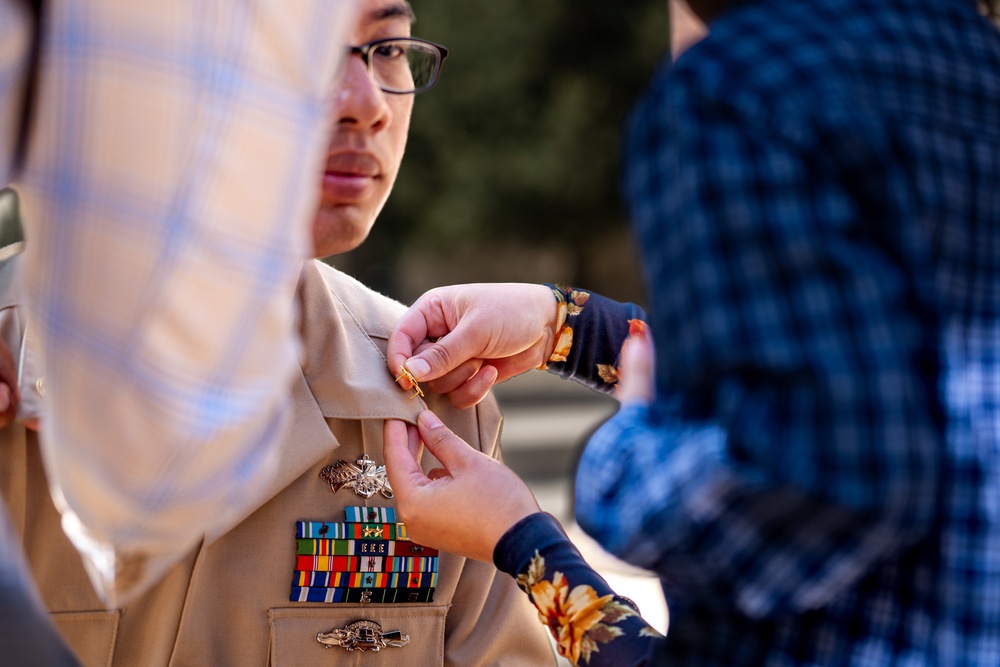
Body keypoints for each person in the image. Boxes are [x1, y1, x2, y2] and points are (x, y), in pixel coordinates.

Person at [384, 0, 1000, 665]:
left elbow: (830, 465)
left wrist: (612, 472)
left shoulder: (744, 88)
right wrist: (563, 324)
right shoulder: (968, 63)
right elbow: (855, 363)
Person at [0, 1, 557, 664]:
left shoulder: (430, 399)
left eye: (387, 48)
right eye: (308, 50)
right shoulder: (13, 377)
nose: (368, 104)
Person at [1, 0, 357, 612]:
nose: (360, 104)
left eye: (390, 50)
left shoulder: (429, 384)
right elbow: (149, 468)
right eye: (327, 53)